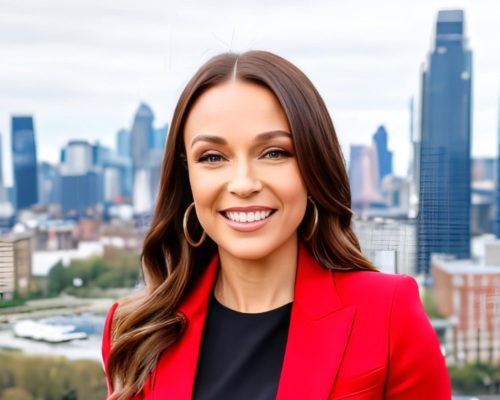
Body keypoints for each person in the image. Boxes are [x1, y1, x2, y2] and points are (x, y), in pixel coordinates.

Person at [102, 50, 451, 400]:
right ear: (186, 175)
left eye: (274, 153)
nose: (243, 183)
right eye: (212, 157)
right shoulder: (134, 330)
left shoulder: (388, 314)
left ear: (313, 165)